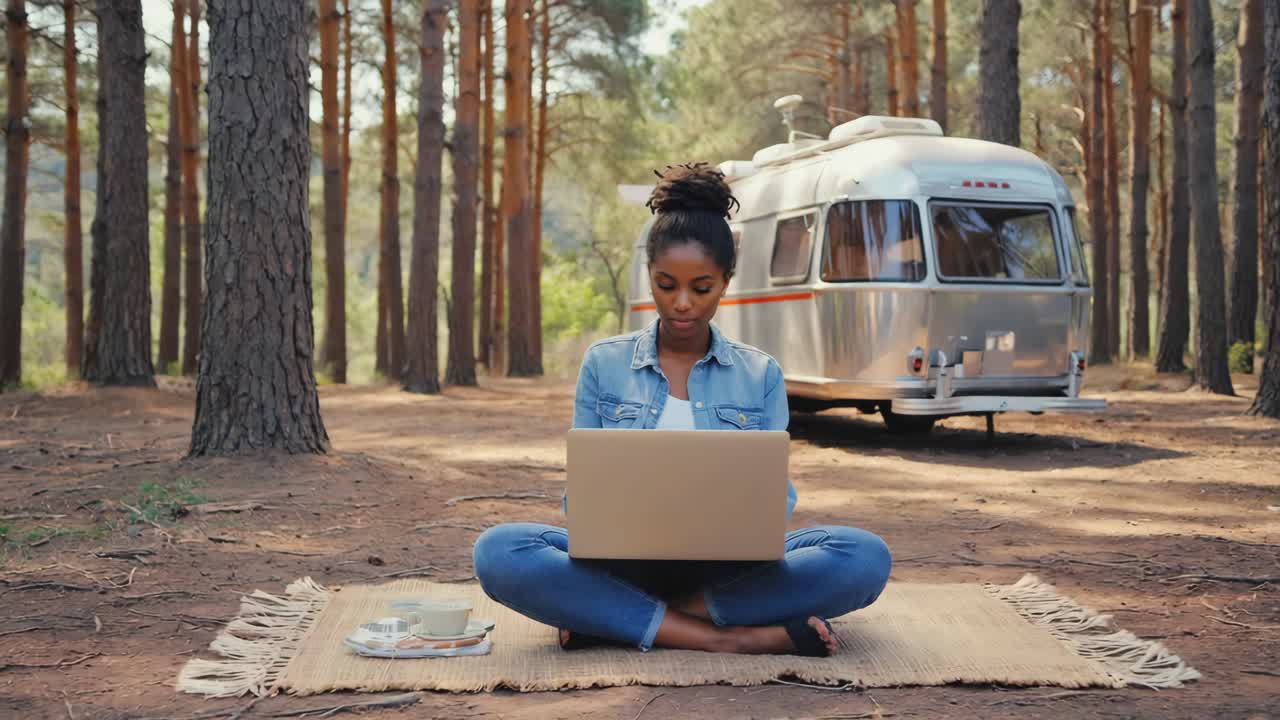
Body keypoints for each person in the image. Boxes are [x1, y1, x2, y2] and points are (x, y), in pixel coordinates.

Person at [473, 163, 892, 657]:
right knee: (499, 551)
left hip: (727, 568)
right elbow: (579, 502)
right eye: (666, 284)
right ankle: (725, 636)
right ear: (649, 275)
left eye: (702, 287)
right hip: (620, 562)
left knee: (863, 557)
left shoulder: (760, 374)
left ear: (726, 281)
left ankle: (613, 616)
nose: (682, 304)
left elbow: (772, 500)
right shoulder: (604, 363)